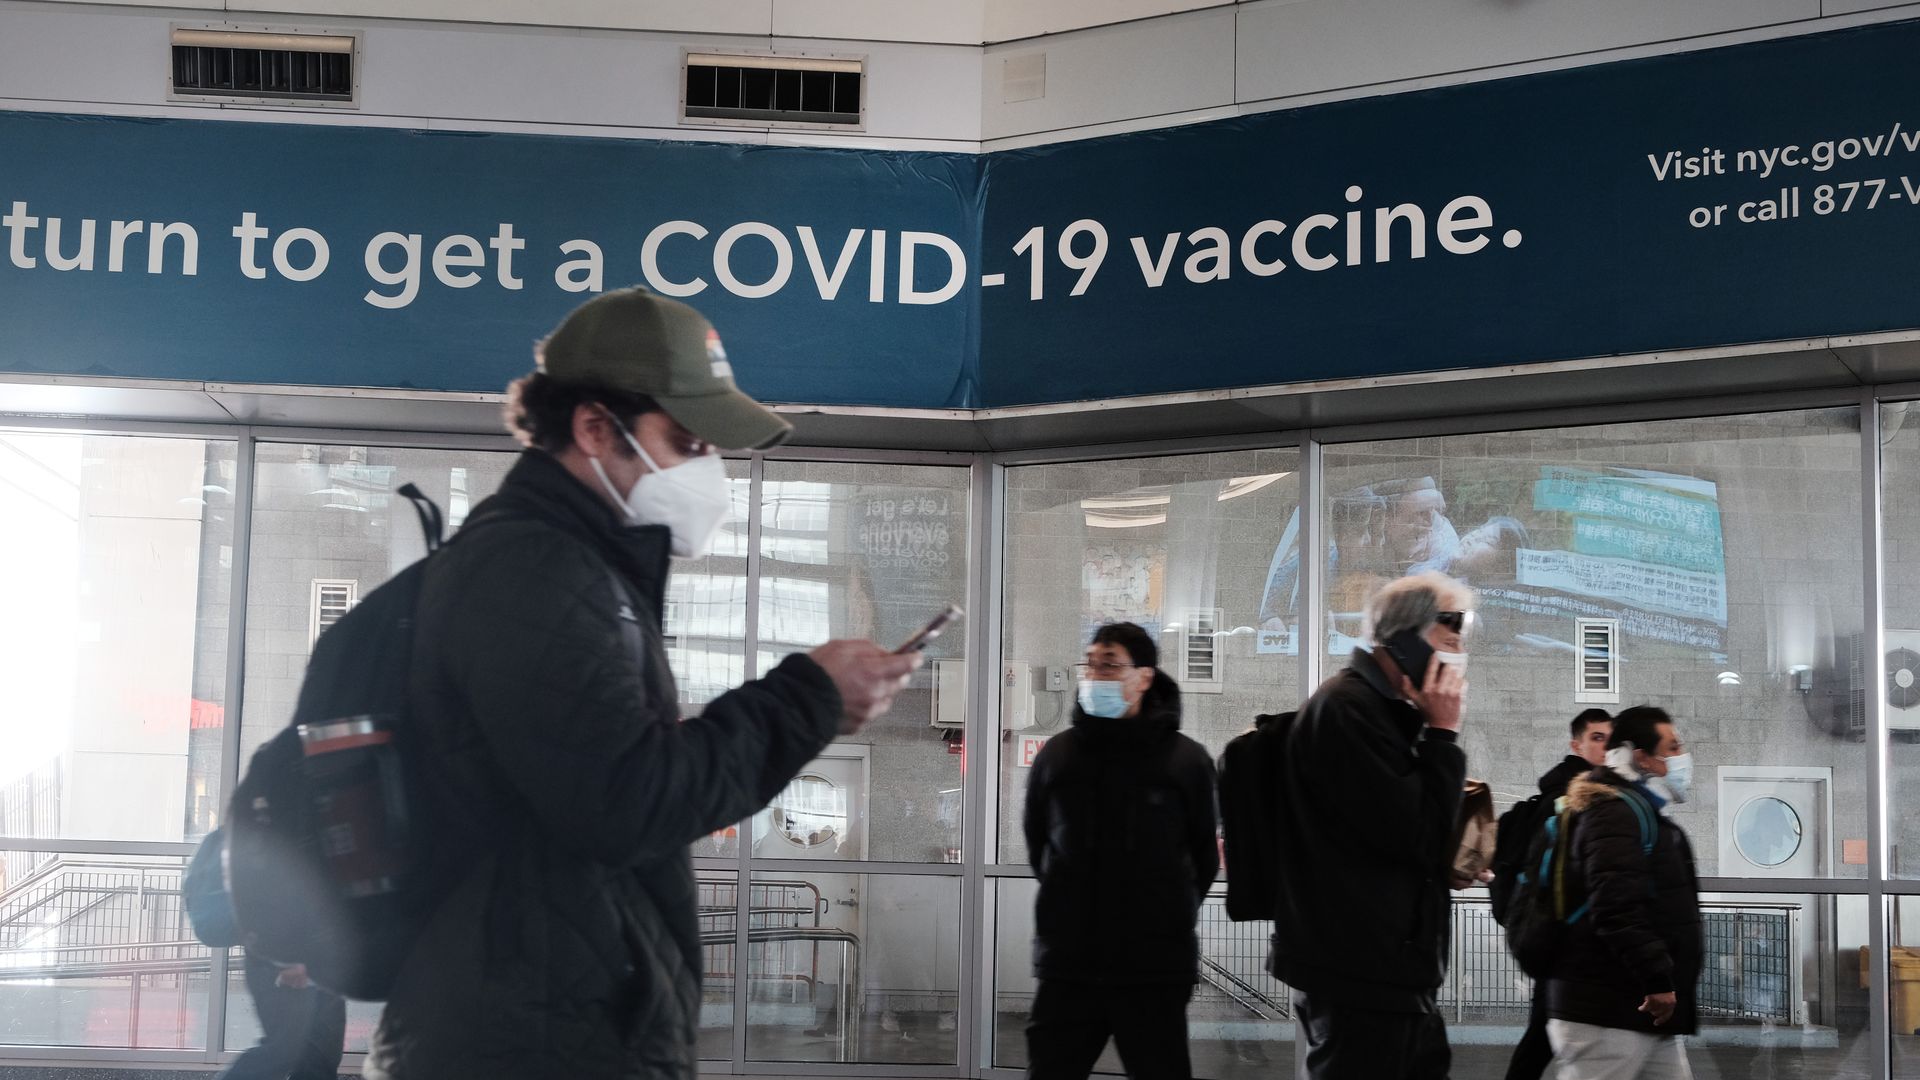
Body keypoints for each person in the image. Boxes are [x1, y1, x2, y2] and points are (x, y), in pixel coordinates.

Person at [365, 287, 922, 1080]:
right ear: (595, 428)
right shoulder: (536, 570)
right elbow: (629, 799)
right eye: (689, 441)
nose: (710, 470)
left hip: (549, 1015)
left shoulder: (576, 569)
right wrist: (809, 698)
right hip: (527, 1039)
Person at [1269, 571, 1474, 1080]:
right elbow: (1415, 834)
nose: (1457, 658)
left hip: (1388, 967)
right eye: (1448, 642)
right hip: (1359, 970)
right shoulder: (1349, 711)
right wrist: (1443, 735)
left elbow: (1394, 832)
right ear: (1405, 639)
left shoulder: (1382, 713)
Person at [1021, 622, 1219, 1080]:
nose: (1094, 675)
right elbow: (1040, 849)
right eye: (1089, 664)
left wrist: (1165, 913)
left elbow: (1202, 860)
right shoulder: (1058, 756)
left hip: (1153, 969)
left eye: (1109, 665)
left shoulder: (1185, 761)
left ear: (1144, 676)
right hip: (1069, 964)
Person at [1545, 706, 1702, 1080]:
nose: (1682, 758)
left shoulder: (1637, 809)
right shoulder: (1613, 812)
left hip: (1643, 1009)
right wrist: (1657, 979)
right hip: (1607, 1010)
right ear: (1641, 757)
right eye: (1673, 747)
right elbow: (1615, 905)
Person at [1504, 708, 1614, 1080]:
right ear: (1576, 744)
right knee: (1543, 1038)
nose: (1606, 746)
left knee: (1548, 1037)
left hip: (1572, 941)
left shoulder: (1596, 795)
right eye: (1597, 738)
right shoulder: (1565, 800)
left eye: (1610, 739)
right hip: (1564, 941)